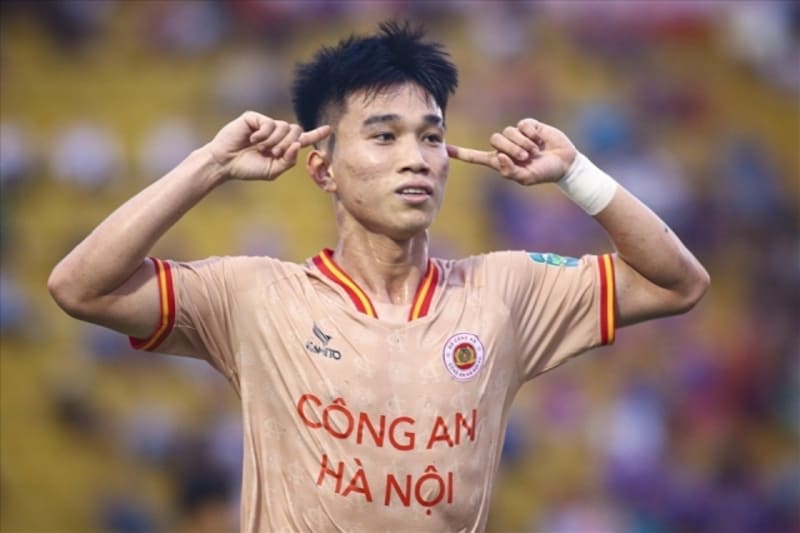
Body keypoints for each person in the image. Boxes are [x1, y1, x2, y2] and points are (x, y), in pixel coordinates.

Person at [48, 22, 709, 532]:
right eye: (385, 136)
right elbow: (80, 286)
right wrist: (210, 164)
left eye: (431, 137)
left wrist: (576, 175)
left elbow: (677, 283)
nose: (416, 158)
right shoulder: (255, 296)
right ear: (323, 166)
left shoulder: (502, 293)